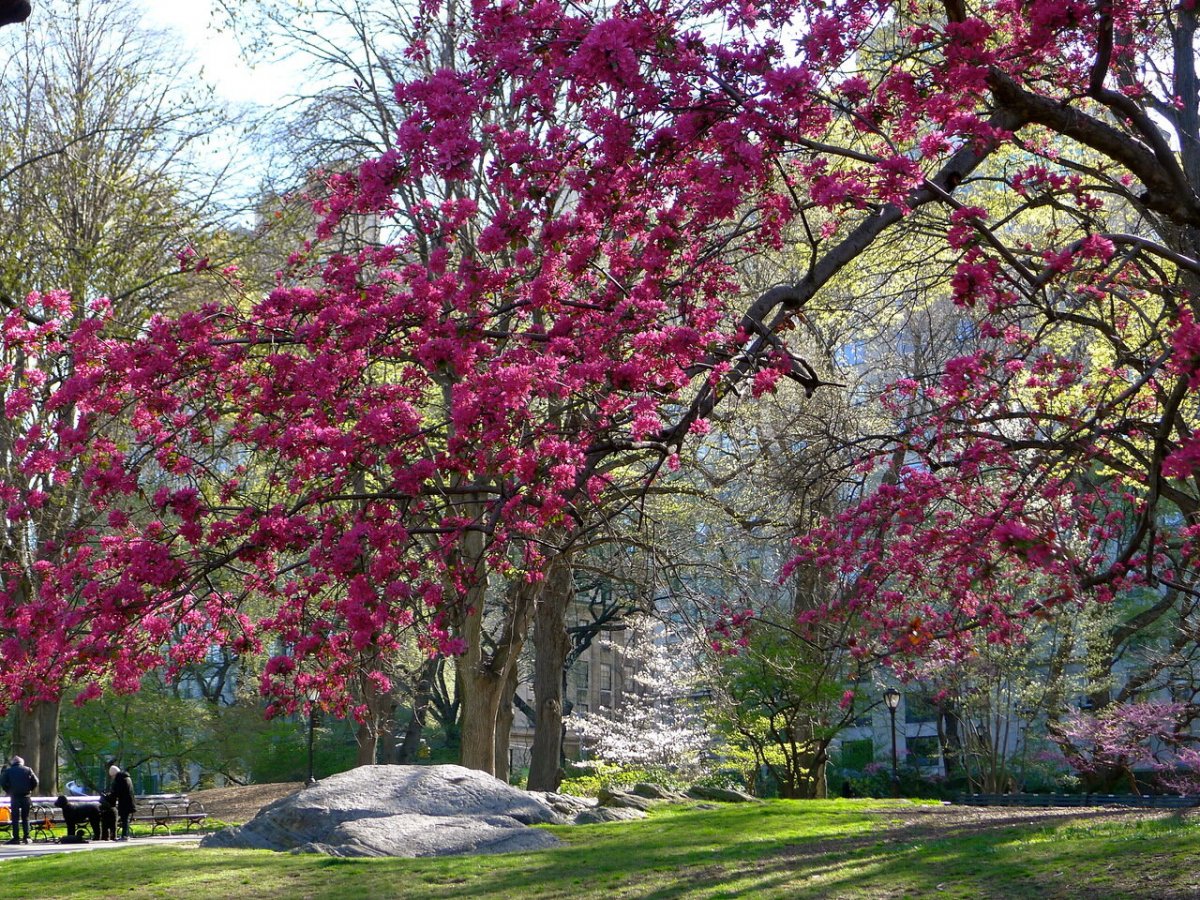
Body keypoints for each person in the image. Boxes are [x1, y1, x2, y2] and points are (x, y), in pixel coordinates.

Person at [0, 756, 38, 844]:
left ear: (13, 762)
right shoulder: (28, 769)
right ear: (22, 762)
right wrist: (30, 789)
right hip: (26, 796)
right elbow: (36, 781)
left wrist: (8, 791)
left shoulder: (8, 771)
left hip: (14, 797)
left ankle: (16, 838)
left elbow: (2, 782)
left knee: (15, 818)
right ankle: (27, 837)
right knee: (26, 817)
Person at [106, 764, 136, 841]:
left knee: (124, 819)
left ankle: (125, 836)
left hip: (124, 802)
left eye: (112, 776)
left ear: (114, 774)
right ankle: (126, 835)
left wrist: (109, 796)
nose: (112, 778)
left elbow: (117, 792)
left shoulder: (120, 779)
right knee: (125, 819)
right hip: (129, 801)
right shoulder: (126, 777)